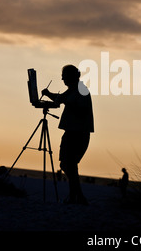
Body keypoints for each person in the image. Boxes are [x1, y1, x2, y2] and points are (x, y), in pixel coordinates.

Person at [42, 65, 94, 205]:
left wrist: (67, 102)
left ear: (71, 76)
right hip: (72, 132)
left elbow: (81, 110)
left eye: (64, 76)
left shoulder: (81, 90)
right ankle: (77, 197)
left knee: (68, 164)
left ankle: (77, 197)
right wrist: (48, 94)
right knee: (68, 165)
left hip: (78, 133)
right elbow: (60, 99)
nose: (62, 79)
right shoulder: (72, 90)